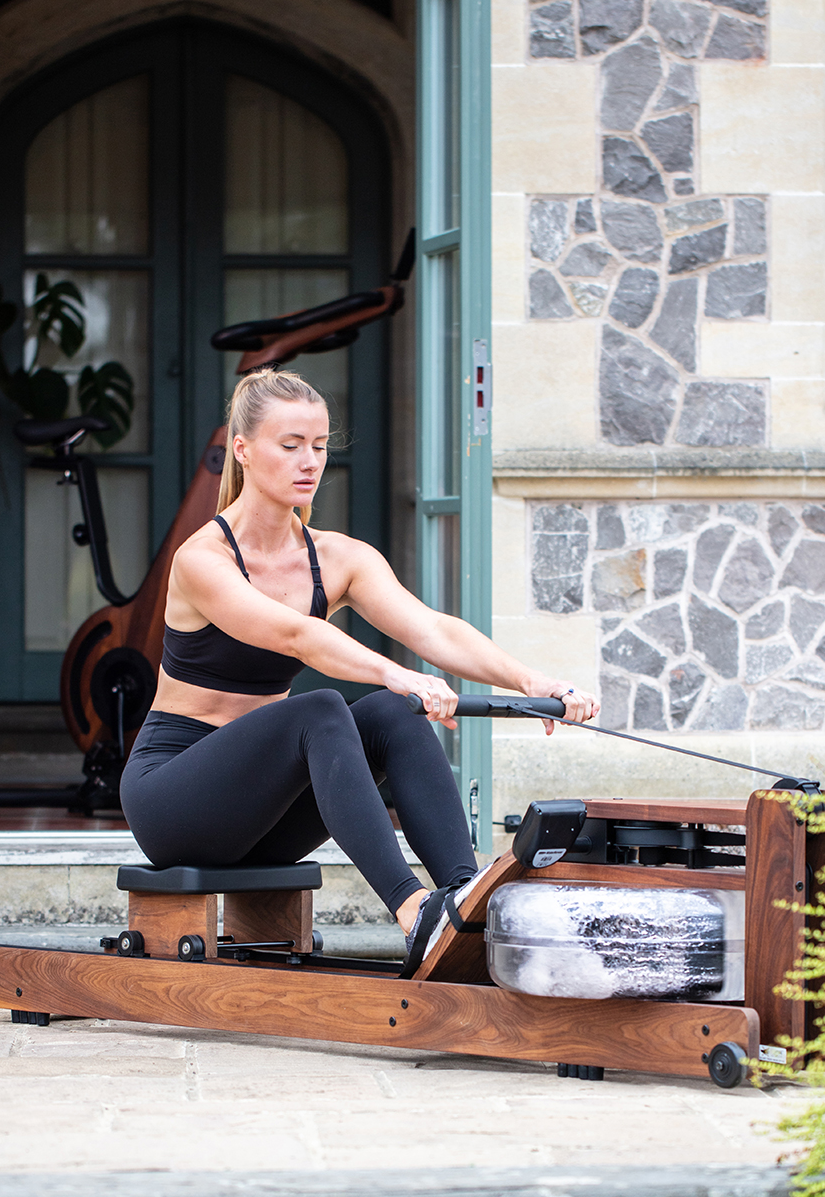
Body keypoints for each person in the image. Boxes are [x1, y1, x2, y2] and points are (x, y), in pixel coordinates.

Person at [120, 369, 599, 968]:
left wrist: (533, 683)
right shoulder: (203, 559)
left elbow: (432, 629)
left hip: (266, 817)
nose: (309, 462)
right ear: (242, 450)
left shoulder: (337, 557)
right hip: (175, 802)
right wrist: (395, 673)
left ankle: (464, 903)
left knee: (389, 714)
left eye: (320, 446)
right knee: (321, 709)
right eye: (290, 445)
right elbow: (297, 635)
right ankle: (413, 912)